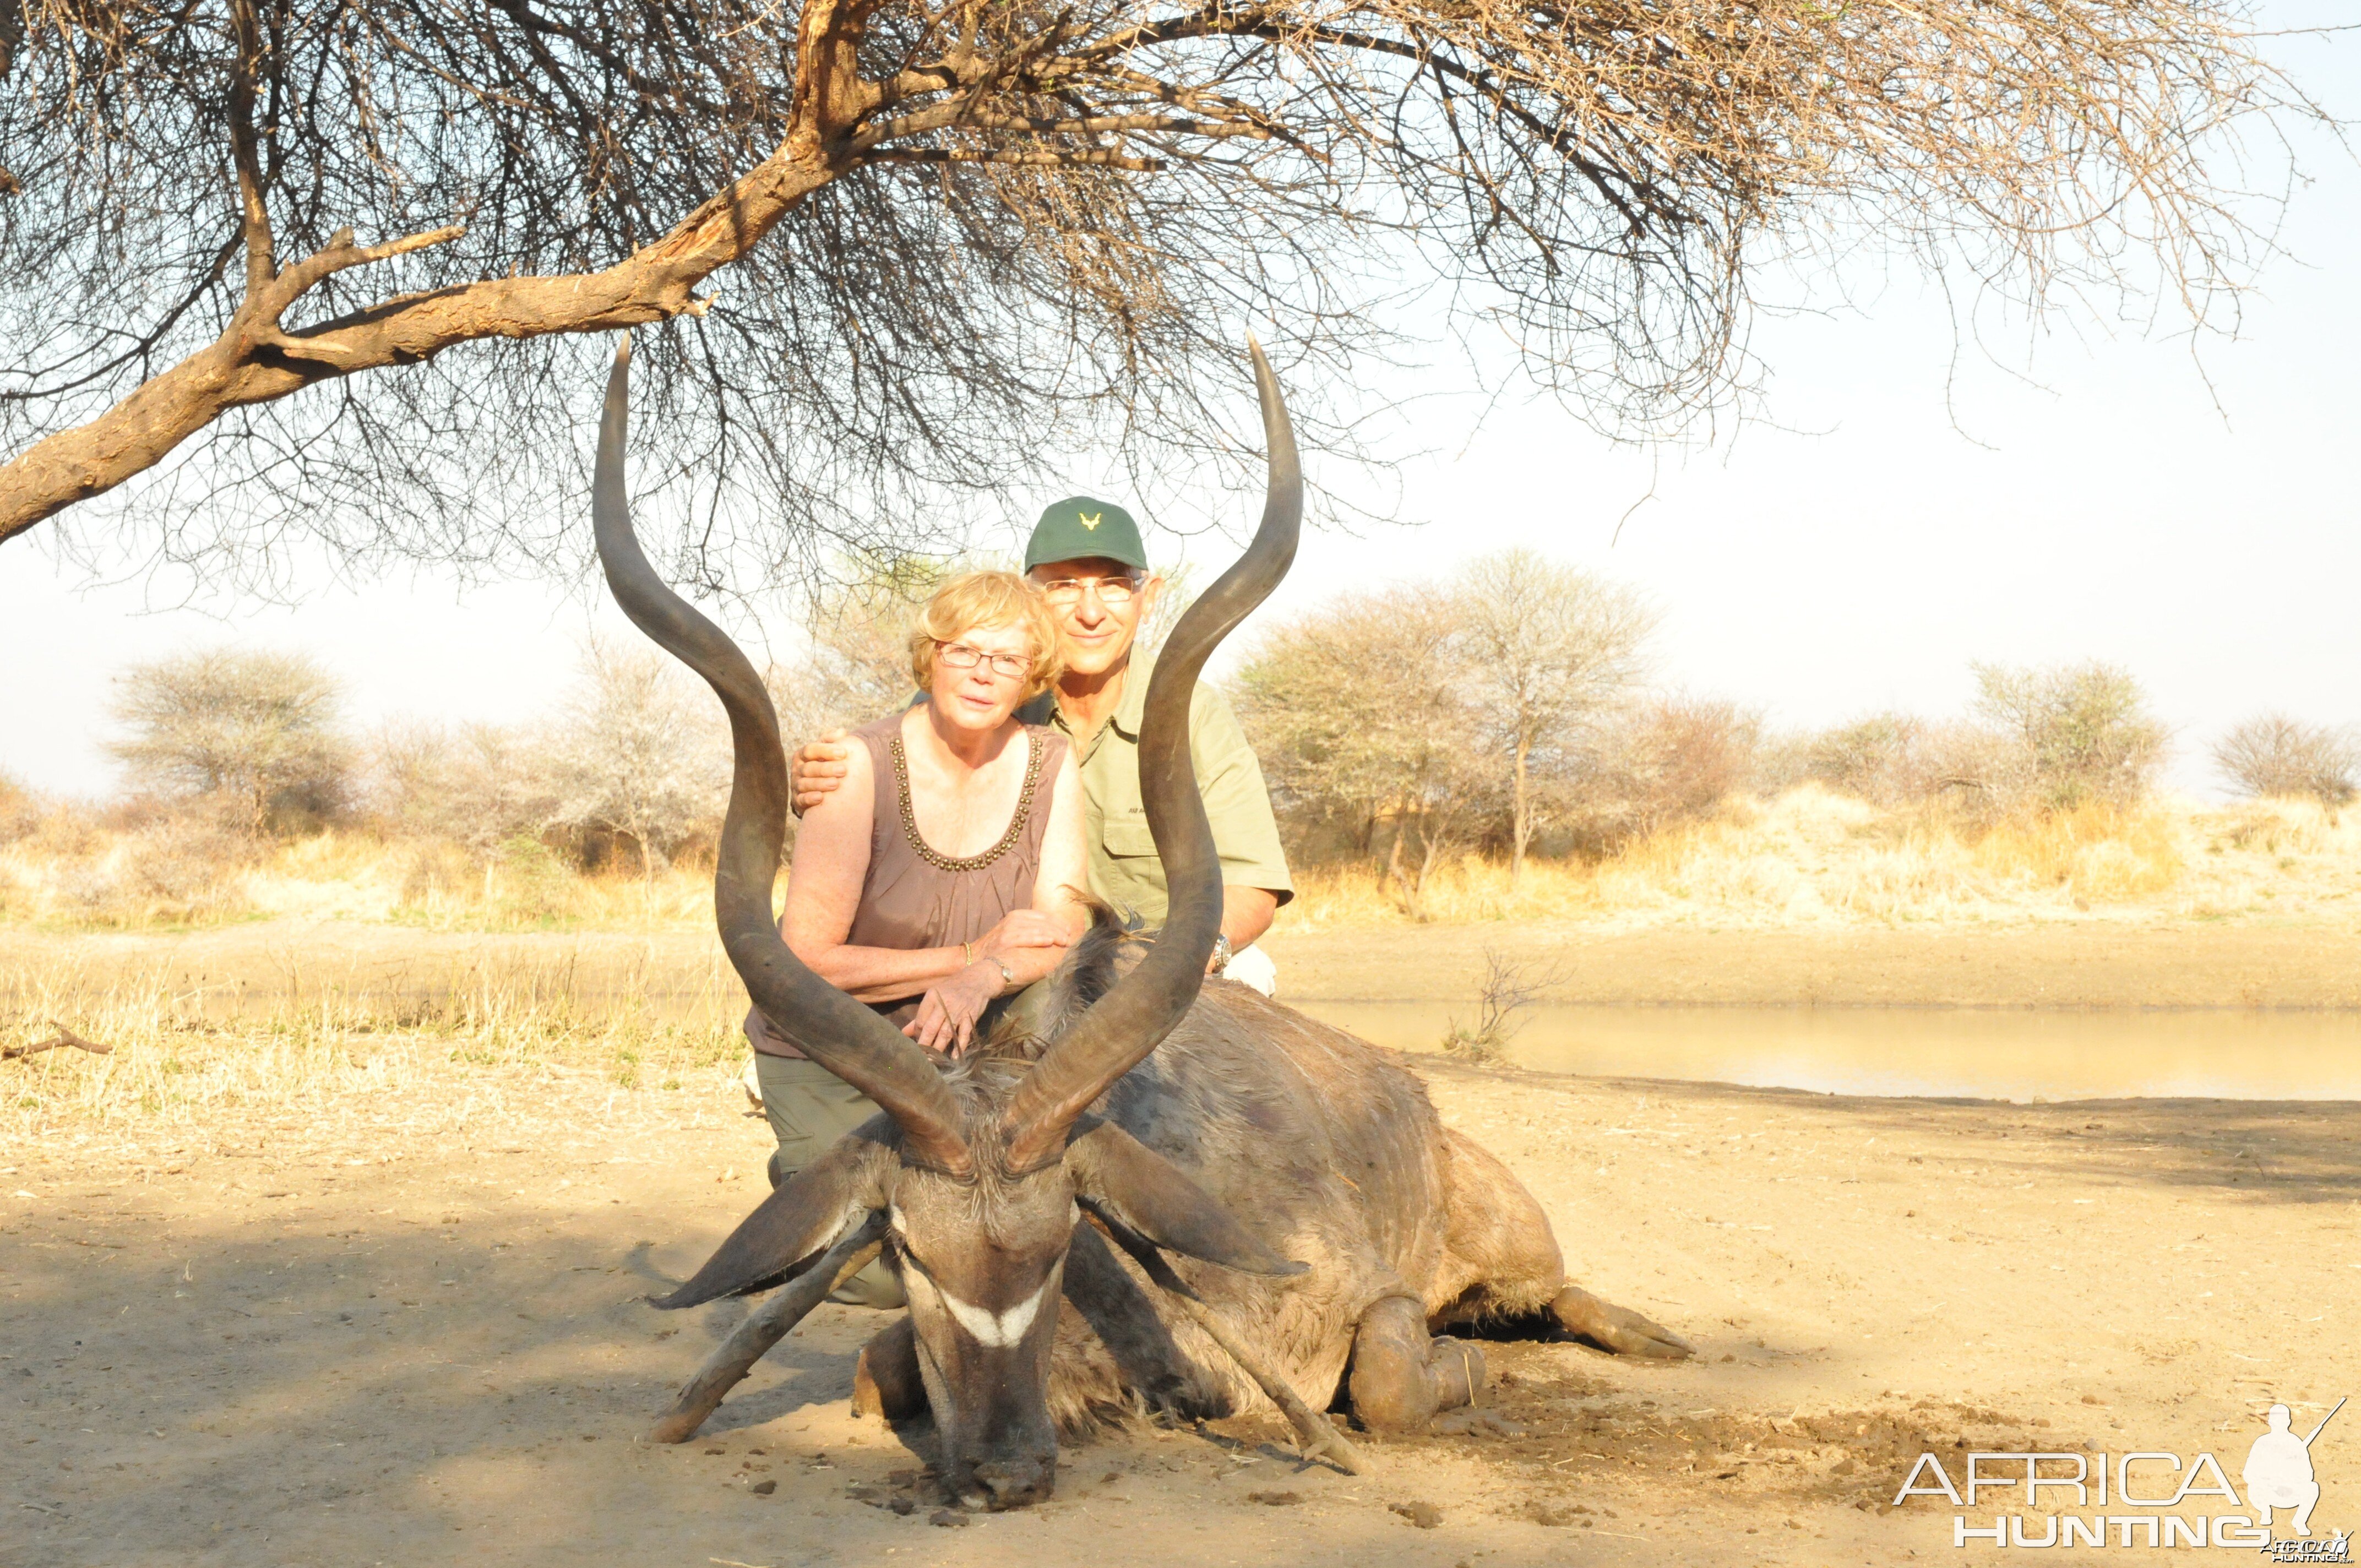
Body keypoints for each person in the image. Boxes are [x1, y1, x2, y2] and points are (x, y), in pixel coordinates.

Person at [747, 569, 1089, 1304]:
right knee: (887, 1277)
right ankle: (804, 1173)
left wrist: (980, 979)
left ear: (1033, 674)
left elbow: (1063, 930)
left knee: (1002, 1248)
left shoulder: (1054, 764)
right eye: (964, 650)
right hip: (838, 1053)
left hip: (964, 1055)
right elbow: (804, 962)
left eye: (1006, 659)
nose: (982, 673)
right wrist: (967, 955)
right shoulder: (853, 768)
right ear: (930, 656)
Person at [791, 496, 1292, 990]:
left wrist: (1187, 960)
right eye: (1064, 586)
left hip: (1160, 959)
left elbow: (1253, 883)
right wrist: (819, 784)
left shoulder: (1195, 713)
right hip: (1016, 967)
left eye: (1115, 586)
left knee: (1246, 983)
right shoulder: (975, 693)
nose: (1091, 612)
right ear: (1030, 596)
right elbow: (881, 788)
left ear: (1151, 594)